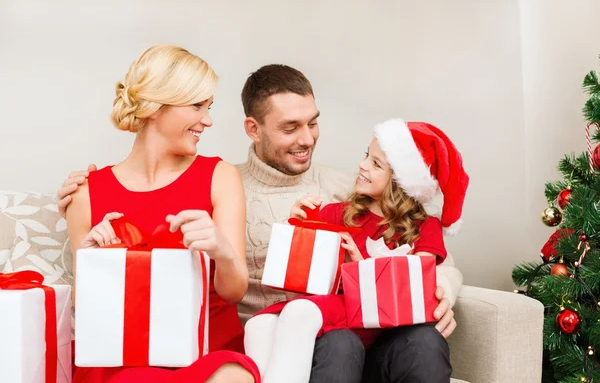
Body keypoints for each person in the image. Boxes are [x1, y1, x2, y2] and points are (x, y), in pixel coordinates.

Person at [58, 64, 463, 382]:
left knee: (423, 340)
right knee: (338, 344)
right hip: (290, 341)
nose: (307, 139)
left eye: (313, 122)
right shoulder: (220, 183)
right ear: (253, 129)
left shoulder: (350, 191)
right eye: (290, 128)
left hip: (358, 328)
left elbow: (422, 246)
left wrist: (442, 289)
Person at [65, 44, 260, 383]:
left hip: (206, 352)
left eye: (209, 107)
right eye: (197, 105)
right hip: (124, 357)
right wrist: (92, 258)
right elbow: (87, 310)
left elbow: (234, 292)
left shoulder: (219, 176)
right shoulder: (85, 193)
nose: (208, 120)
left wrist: (221, 250)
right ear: (156, 108)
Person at [244, 118, 469, 383]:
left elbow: (414, 292)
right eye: (366, 156)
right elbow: (301, 295)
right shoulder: (334, 215)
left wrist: (358, 265)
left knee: (425, 339)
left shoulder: (425, 227)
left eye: (376, 164)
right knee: (333, 340)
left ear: (401, 182)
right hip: (337, 343)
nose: (362, 165)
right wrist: (299, 231)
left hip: (386, 346)